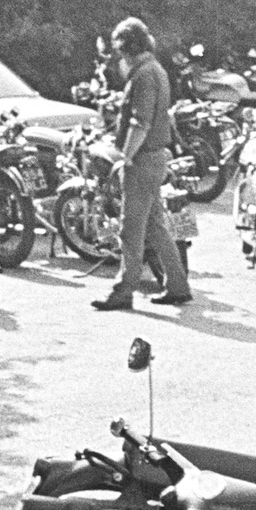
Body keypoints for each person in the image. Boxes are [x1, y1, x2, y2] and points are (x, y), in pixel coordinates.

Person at [92, 16, 193, 315]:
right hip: (154, 157)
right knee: (155, 226)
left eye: (119, 50)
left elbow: (141, 122)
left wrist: (124, 157)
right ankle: (177, 285)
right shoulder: (156, 70)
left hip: (143, 159)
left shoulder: (144, 75)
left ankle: (124, 290)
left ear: (127, 47)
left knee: (129, 230)